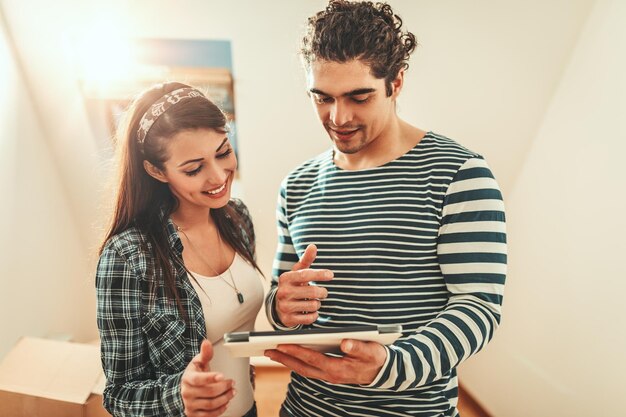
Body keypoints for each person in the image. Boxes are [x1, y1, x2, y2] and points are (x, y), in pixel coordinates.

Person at [263, 1, 507, 416]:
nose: (338, 117)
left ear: (396, 83)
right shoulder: (297, 184)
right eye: (321, 98)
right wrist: (281, 307)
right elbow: (279, 295)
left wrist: (389, 368)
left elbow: (478, 306)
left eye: (359, 97)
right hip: (304, 407)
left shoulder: (459, 174)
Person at [96, 82, 263, 417]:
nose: (218, 176)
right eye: (193, 169)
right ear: (157, 171)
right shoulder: (128, 256)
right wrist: (179, 395)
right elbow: (118, 395)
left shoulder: (238, 216)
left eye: (223, 152)